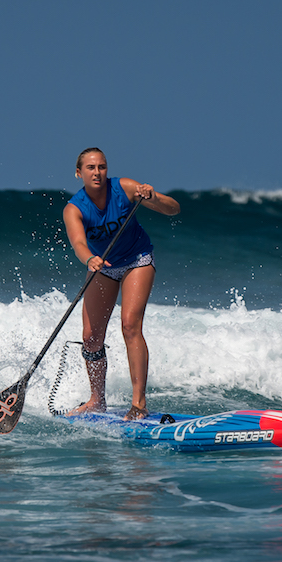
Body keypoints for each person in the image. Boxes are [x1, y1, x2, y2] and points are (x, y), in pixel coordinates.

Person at [64, 147, 180, 421]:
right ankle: (96, 400)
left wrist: (154, 197)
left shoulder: (125, 188)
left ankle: (139, 403)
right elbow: (79, 243)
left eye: (102, 167)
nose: (97, 172)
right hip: (101, 265)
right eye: (90, 168)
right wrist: (89, 258)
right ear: (79, 173)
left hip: (136, 260)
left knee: (130, 325)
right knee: (91, 338)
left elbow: (173, 209)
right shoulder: (74, 208)